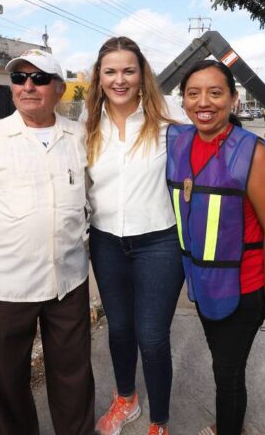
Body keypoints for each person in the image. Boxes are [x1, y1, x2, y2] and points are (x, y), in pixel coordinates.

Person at [0, 49, 94, 435]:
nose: (27, 86)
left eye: (39, 78)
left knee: (74, 378)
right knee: (8, 383)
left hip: (68, 282)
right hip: (7, 286)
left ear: (60, 89)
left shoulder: (79, 138)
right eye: (19, 79)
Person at [166, 60, 265, 435]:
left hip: (244, 287)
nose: (203, 102)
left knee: (227, 372)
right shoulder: (177, 141)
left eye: (215, 92)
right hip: (204, 282)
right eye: (193, 94)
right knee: (223, 365)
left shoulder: (252, 152)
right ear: (184, 101)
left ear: (234, 99)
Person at [84, 37, 183, 435]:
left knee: (153, 335)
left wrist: (257, 175)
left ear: (142, 75)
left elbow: (219, 138)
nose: (119, 79)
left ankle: (159, 420)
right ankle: (127, 399)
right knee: (120, 328)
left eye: (128, 70)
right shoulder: (87, 123)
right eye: (110, 71)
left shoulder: (168, 115)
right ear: (99, 77)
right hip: (106, 243)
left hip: (159, 243)